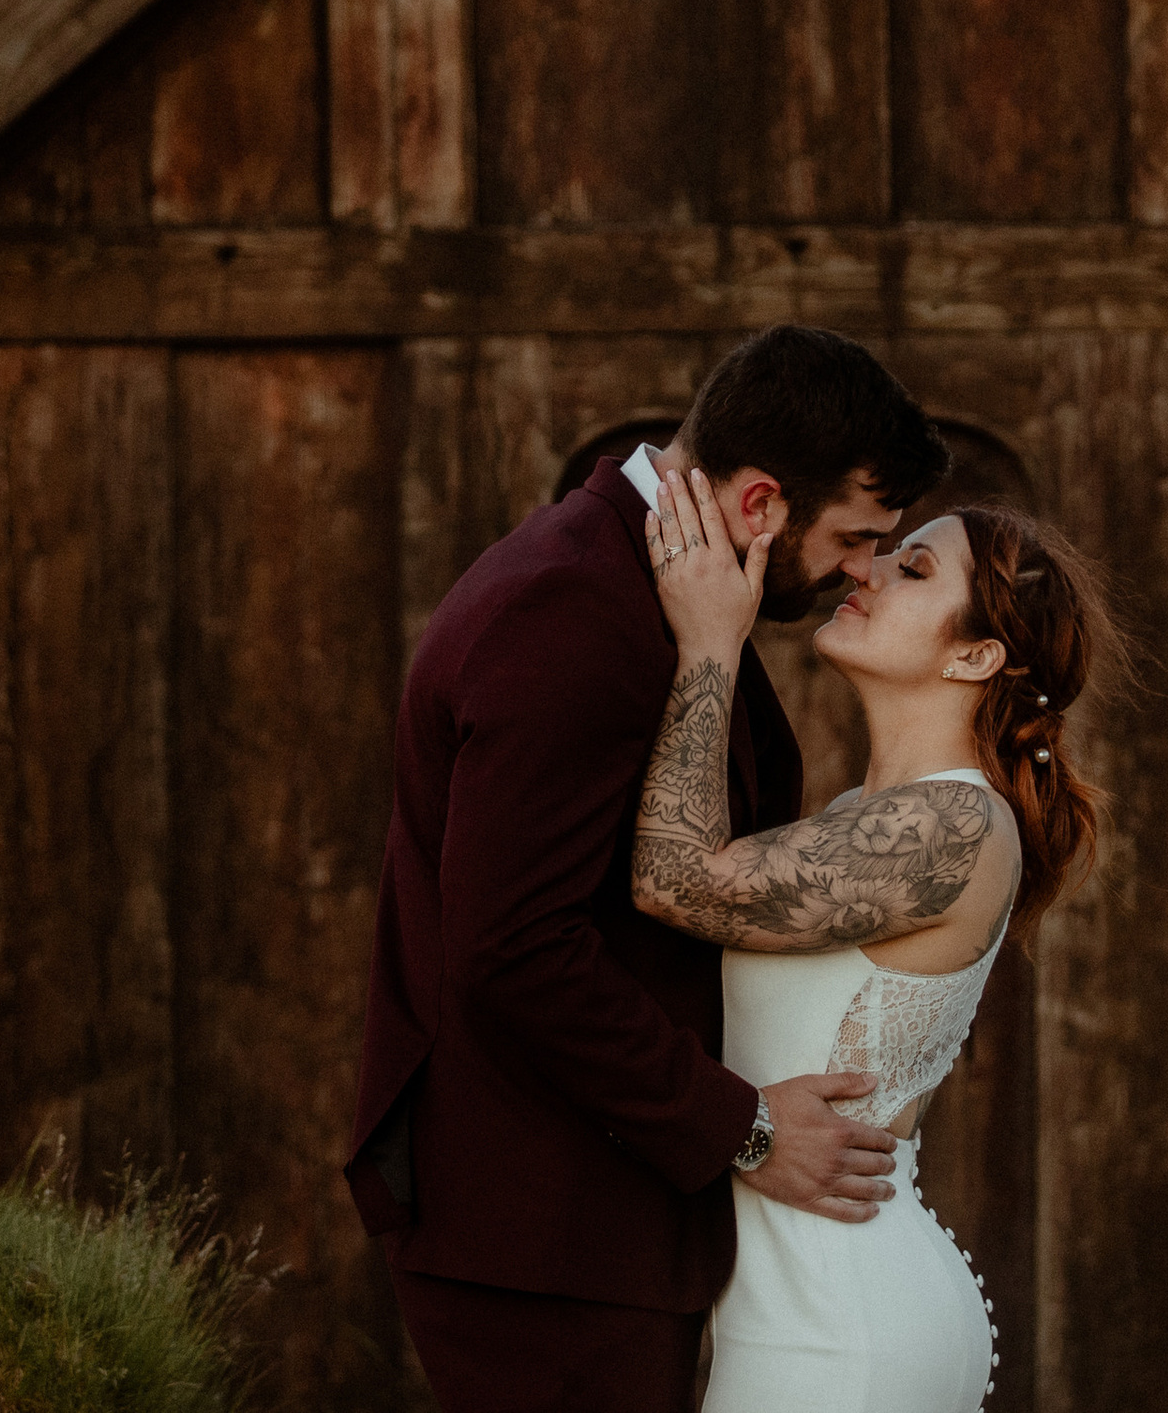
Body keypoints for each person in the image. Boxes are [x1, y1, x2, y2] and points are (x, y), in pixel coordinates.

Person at [344, 324, 952, 1413]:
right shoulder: (572, 610)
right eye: (861, 536)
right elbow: (511, 946)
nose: (862, 571)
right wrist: (742, 1127)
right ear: (762, 502)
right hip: (541, 1227)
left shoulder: (637, 586)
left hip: (598, 1219)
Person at [632, 465, 1116, 1413]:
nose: (870, 571)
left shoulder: (954, 829)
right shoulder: (871, 815)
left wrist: (708, 642)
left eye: (915, 570)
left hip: (837, 1333)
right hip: (800, 1313)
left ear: (976, 659)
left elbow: (672, 877)